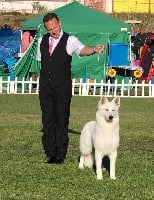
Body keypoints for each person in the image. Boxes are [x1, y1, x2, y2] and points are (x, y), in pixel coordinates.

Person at [36, 13, 104, 164]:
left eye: (54, 27)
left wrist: (93, 49)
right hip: (46, 87)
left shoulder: (70, 40)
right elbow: (42, 62)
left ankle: (60, 153)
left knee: (61, 119)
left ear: (59, 23)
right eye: (49, 29)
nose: (53, 31)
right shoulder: (42, 40)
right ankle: (50, 153)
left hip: (62, 88)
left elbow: (82, 50)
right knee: (47, 120)